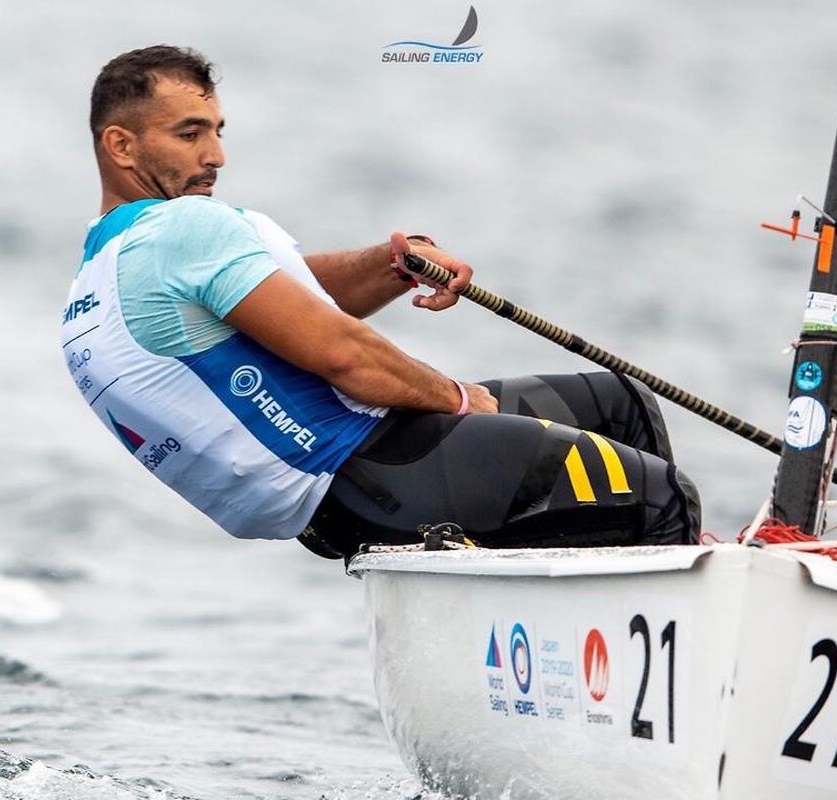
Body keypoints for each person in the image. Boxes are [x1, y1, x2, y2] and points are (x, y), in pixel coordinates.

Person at [61, 45, 700, 559]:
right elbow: (344, 356)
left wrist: (391, 266)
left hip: (341, 501)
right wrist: (457, 397)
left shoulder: (103, 275)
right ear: (121, 145)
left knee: (616, 405)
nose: (216, 156)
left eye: (218, 131)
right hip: (373, 470)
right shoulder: (184, 229)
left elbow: (278, 299)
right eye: (190, 133)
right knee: (660, 495)